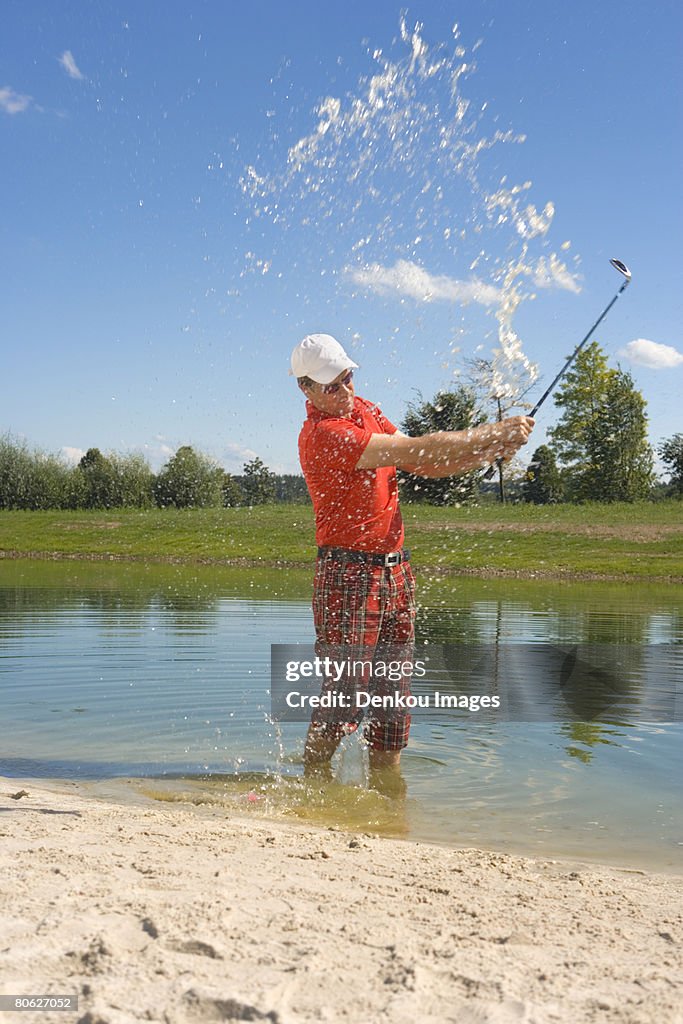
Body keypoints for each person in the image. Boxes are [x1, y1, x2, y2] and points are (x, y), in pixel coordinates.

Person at [292, 333, 534, 791]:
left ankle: (389, 800)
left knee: (392, 700)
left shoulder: (364, 410)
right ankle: (313, 791)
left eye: (347, 378)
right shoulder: (323, 435)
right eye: (332, 386)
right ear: (305, 389)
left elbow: (423, 461)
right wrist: (490, 433)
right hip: (348, 574)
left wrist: (487, 451)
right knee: (345, 698)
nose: (344, 391)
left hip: (395, 570)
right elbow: (409, 450)